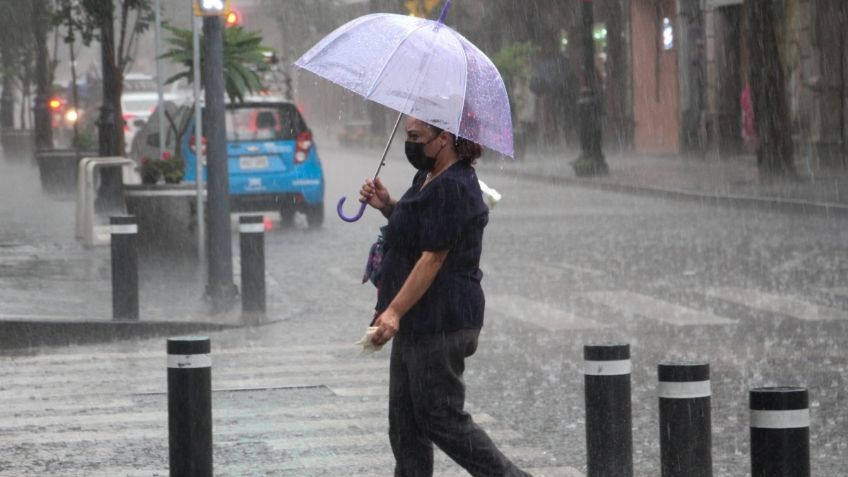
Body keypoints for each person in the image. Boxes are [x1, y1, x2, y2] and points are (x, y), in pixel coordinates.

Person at [359, 117, 532, 477]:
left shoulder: (454, 186)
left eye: (416, 137)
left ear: (444, 139)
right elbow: (416, 232)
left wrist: (392, 311)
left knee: (441, 418)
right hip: (417, 320)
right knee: (405, 423)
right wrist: (388, 204)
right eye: (407, 135)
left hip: (442, 320)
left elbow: (433, 257)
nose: (410, 144)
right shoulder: (427, 177)